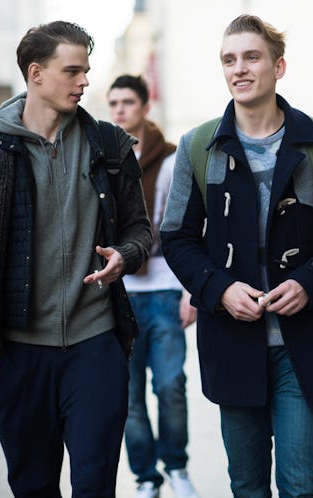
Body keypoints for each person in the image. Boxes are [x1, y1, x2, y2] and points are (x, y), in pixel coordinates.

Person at [160, 14, 313, 497]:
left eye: (251, 57)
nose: (239, 68)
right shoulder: (198, 146)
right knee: (247, 484)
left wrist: (310, 282)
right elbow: (176, 237)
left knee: (300, 484)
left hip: (306, 343)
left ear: (278, 67)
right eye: (229, 59)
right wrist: (219, 289)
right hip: (233, 343)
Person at [0, 21, 152, 497]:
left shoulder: (110, 146)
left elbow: (141, 230)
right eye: (73, 71)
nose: (84, 81)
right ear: (36, 73)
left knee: (94, 485)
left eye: (87, 70)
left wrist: (125, 255)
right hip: (18, 356)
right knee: (34, 486)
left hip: (96, 346)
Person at [107, 75, 200, 498]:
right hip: (119, 293)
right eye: (113, 103)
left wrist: (191, 291)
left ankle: (176, 467)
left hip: (165, 289)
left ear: (145, 106)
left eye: (128, 102)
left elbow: (192, 230)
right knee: (127, 396)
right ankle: (146, 477)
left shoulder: (171, 158)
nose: (120, 110)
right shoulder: (106, 159)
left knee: (169, 385)